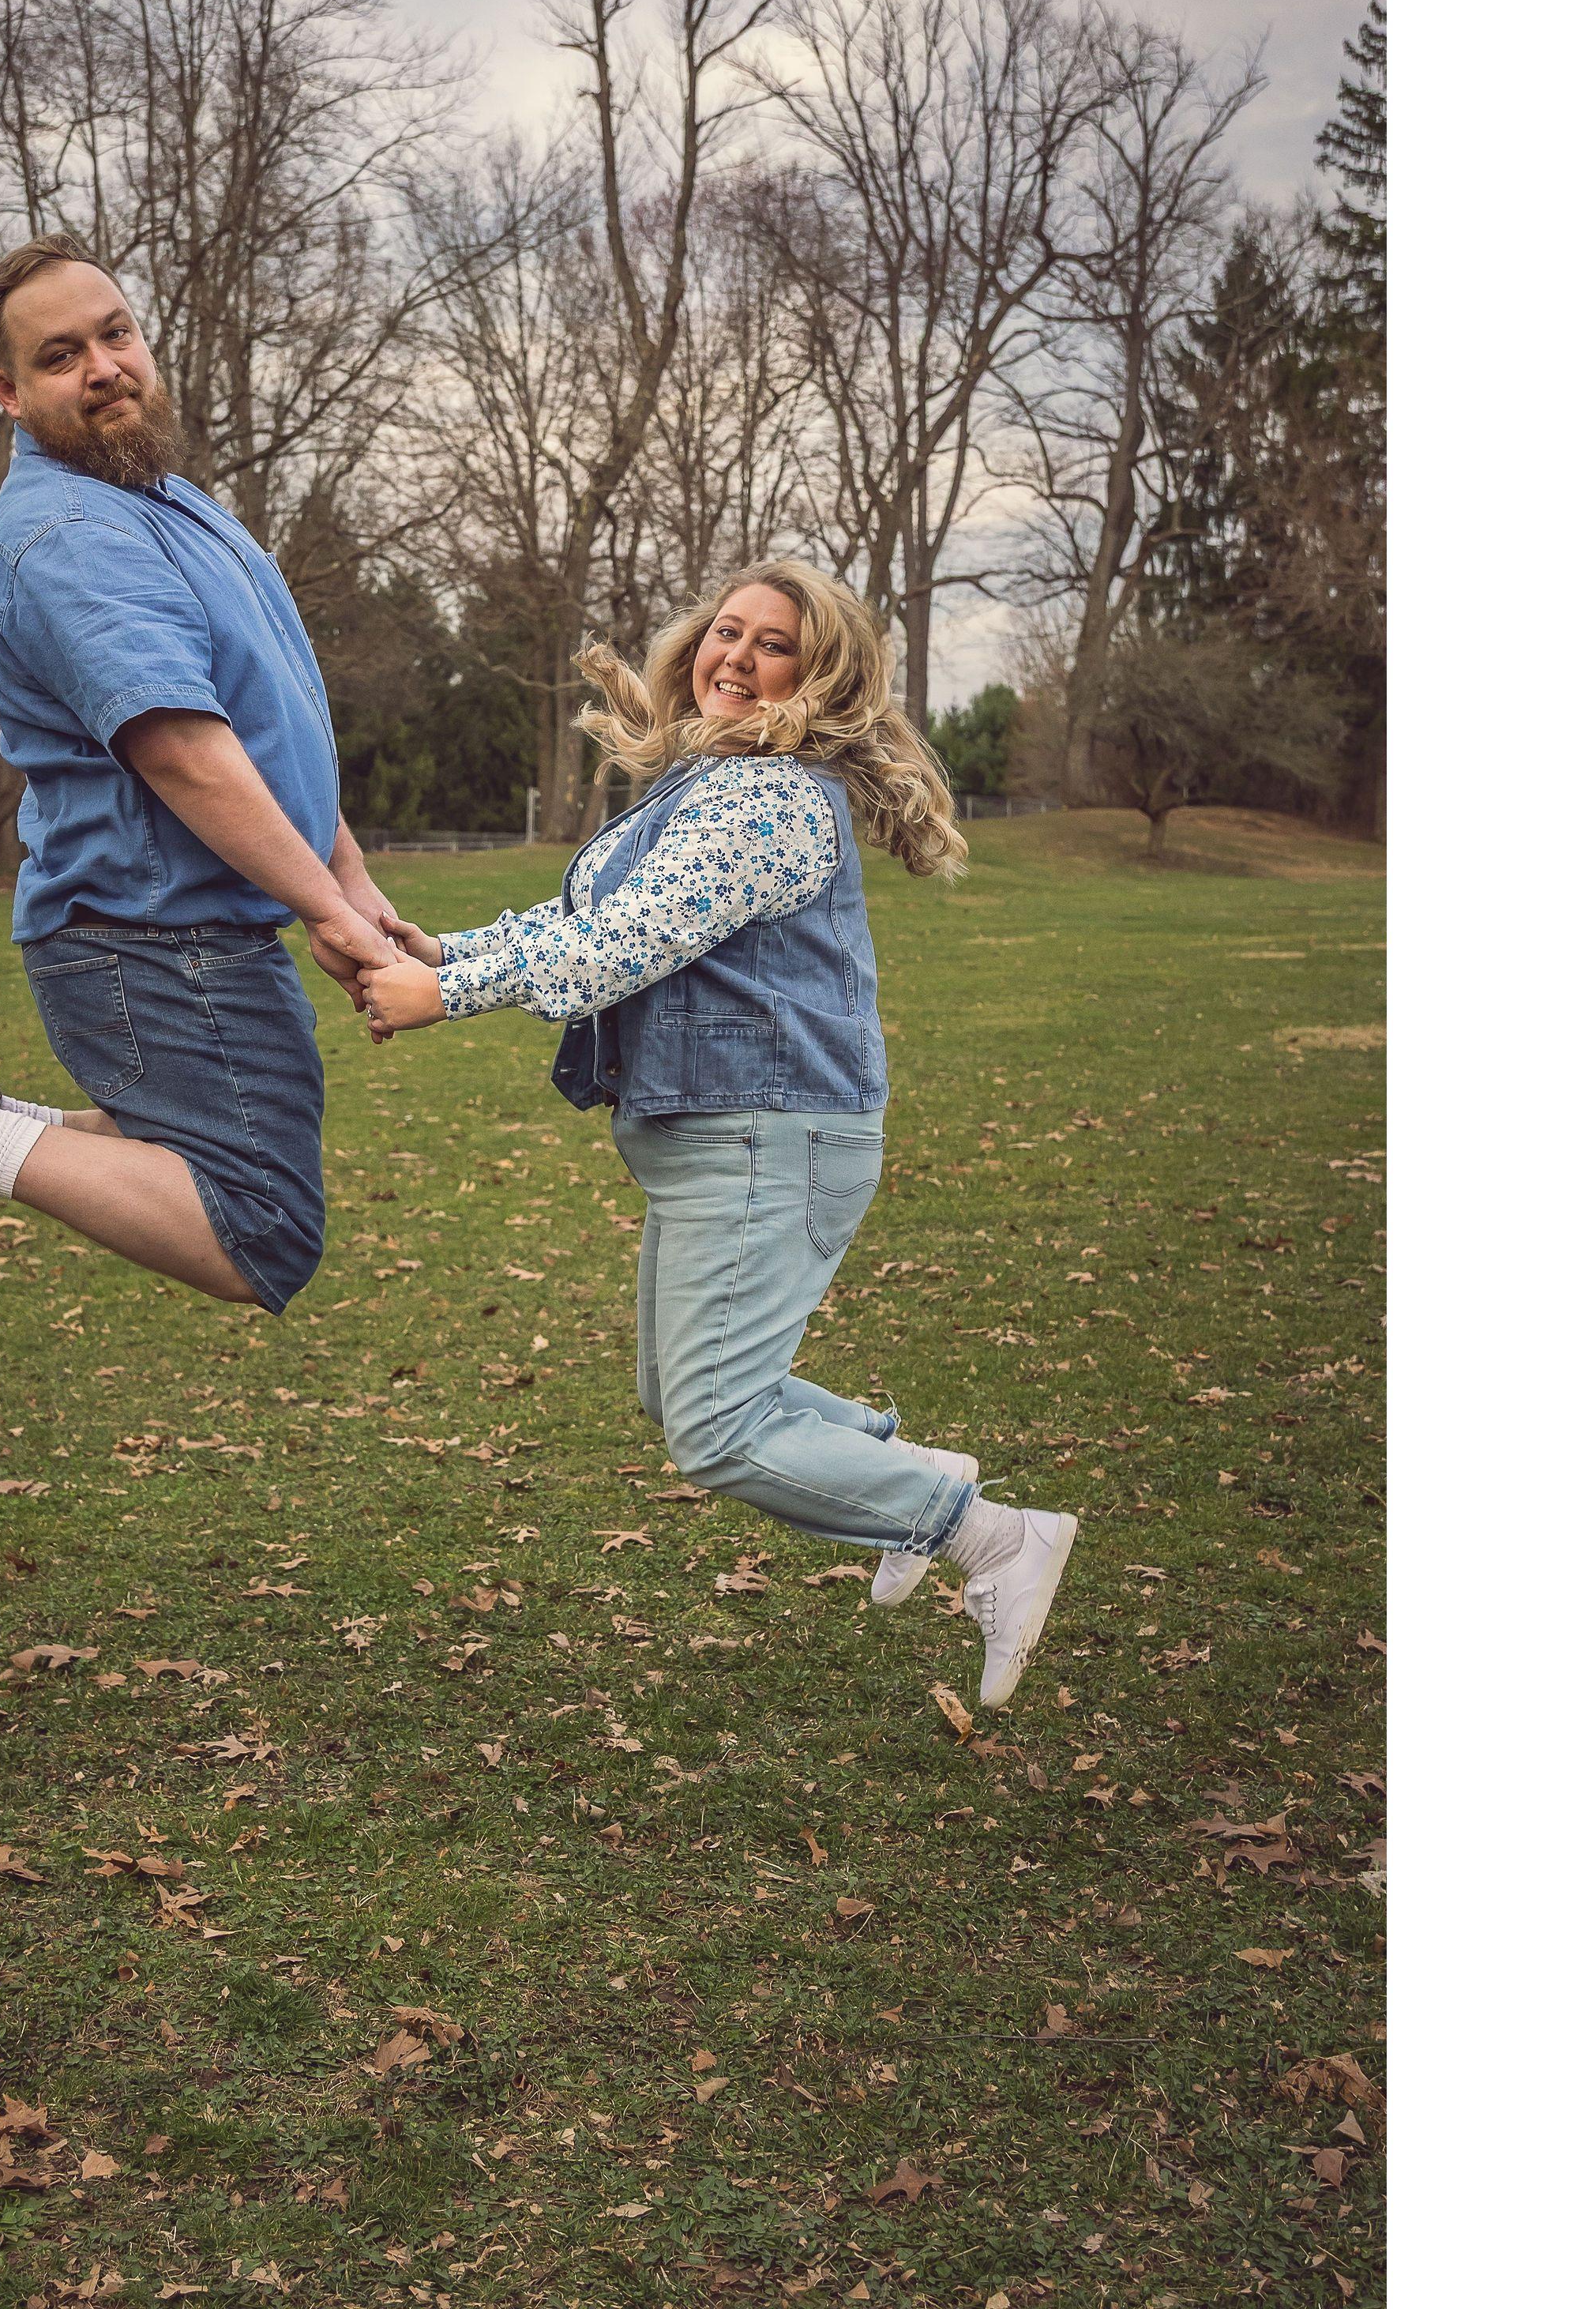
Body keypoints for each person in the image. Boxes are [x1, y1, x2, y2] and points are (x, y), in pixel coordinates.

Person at [355, 562, 1079, 1710]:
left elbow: (623, 948)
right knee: (675, 1397)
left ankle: (989, 1537)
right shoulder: (710, 783)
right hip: (725, 1144)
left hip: (768, 1143)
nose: (735, 657)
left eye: (773, 644)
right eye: (725, 632)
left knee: (717, 1428)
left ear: (821, 673)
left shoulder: (769, 800)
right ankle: (907, 1475)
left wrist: (443, 999)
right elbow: (590, 917)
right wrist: (446, 948)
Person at [0, 236, 409, 1317]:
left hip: (185, 927)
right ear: (7, 394)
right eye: (61, 356)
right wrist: (323, 910)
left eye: (116, 334)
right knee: (263, 1233)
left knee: (186, 1150)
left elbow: (271, 718)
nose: (105, 366)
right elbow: (184, 754)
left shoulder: (162, 498)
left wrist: (345, 877)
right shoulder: (68, 530)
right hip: (152, 935)